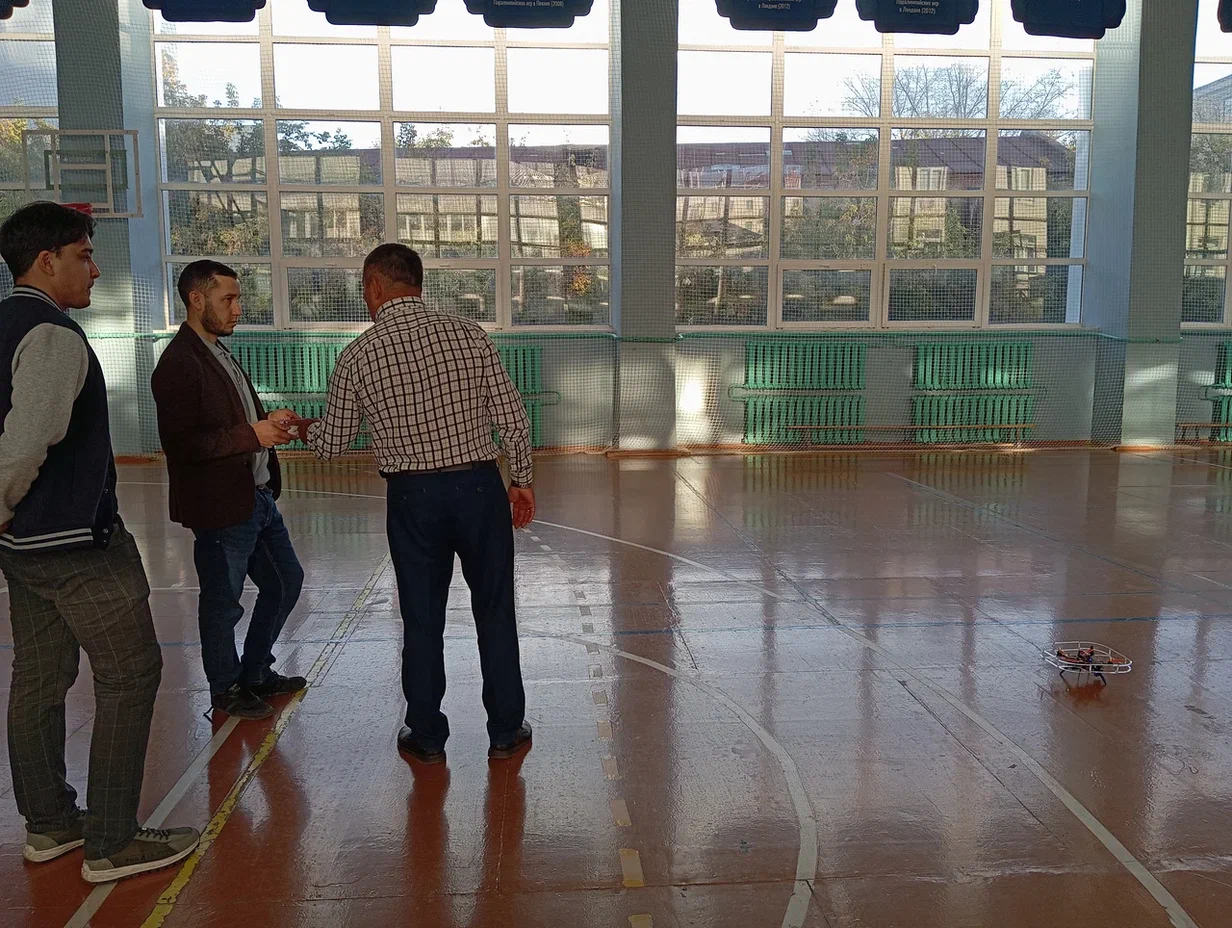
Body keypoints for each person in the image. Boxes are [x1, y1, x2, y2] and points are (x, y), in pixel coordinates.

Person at [0, 201, 200, 883]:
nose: (95, 269)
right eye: (84, 255)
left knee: (39, 677)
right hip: (75, 546)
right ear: (46, 260)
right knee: (131, 673)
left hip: (24, 550)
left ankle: (50, 823)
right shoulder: (51, 336)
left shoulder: (4, 324)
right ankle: (112, 841)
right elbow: (26, 441)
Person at [294, 243, 535, 765]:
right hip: (478, 489)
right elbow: (513, 420)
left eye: (364, 289)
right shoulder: (471, 336)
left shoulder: (358, 355)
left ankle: (426, 735)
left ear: (375, 286)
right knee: (495, 609)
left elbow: (333, 444)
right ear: (417, 283)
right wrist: (520, 481)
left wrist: (300, 428)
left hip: (412, 499)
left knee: (422, 618)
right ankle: (505, 730)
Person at [151, 260, 306, 721]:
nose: (238, 309)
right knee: (223, 602)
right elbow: (183, 444)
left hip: (255, 497)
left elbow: (230, 421)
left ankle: (255, 671)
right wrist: (251, 435)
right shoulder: (178, 364)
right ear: (197, 299)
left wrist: (266, 422)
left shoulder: (217, 351)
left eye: (237, 299)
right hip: (221, 507)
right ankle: (225, 686)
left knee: (285, 581)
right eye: (229, 299)